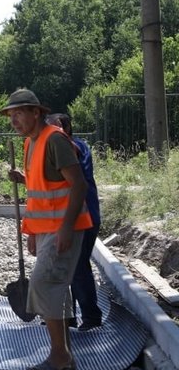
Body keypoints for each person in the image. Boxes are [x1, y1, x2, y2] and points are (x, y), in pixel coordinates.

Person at [0, 89, 93, 370]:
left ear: (35, 112)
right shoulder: (31, 142)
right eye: (11, 115)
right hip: (47, 230)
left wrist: (66, 228)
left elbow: (78, 185)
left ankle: (59, 358)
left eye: (19, 114)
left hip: (63, 228)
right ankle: (62, 355)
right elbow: (42, 191)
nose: (14, 120)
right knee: (55, 288)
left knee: (43, 284)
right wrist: (31, 232)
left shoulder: (54, 139)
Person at [45, 113, 103, 332]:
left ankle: (91, 317)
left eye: (53, 129)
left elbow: (69, 177)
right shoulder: (58, 149)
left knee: (78, 266)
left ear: (64, 128)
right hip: (68, 217)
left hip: (84, 216)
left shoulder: (75, 147)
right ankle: (67, 316)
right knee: (63, 265)